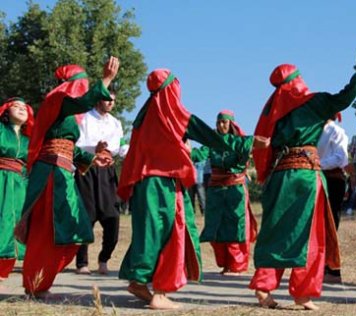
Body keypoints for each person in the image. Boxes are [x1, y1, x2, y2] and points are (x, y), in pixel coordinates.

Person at [117, 69, 269, 310]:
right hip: (163, 183)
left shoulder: (143, 116)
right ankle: (160, 293)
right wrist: (248, 141)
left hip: (143, 183)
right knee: (171, 233)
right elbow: (210, 137)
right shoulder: (173, 112)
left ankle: (138, 281)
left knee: (148, 233)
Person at [249, 44, 356, 310]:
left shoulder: (272, 113)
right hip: (306, 176)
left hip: (279, 176)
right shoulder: (312, 103)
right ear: (297, 80)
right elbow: (345, 97)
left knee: (275, 231)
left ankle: (264, 287)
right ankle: (302, 293)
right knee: (310, 235)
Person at [17, 57, 119, 298]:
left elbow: (67, 146)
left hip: (61, 172)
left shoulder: (62, 110)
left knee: (69, 228)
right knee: (47, 228)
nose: (84, 91)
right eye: (82, 85)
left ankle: (39, 282)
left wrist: (92, 158)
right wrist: (106, 79)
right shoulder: (58, 100)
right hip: (51, 174)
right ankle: (35, 284)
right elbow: (84, 102)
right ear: (72, 85)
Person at [195, 110, 257, 275]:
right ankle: (225, 264)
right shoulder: (212, 142)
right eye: (218, 122)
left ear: (231, 124)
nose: (221, 125)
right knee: (215, 226)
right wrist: (184, 149)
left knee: (235, 226)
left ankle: (237, 265)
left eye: (224, 122)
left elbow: (248, 149)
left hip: (234, 189)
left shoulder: (238, 142)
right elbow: (199, 154)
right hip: (215, 190)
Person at [74, 91, 128, 275]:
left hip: (108, 171)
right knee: (86, 215)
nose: (111, 103)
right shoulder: (84, 118)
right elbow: (76, 143)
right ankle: (82, 263)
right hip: (87, 167)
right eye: (107, 99)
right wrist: (93, 150)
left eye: (113, 100)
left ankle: (104, 259)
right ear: (98, 99)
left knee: (112, 216)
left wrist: (135, 153)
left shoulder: (115, 122)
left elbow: (122, 146)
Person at [0, 98, 34, 283]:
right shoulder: (0, 130)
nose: (21, 109)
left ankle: (6, 268)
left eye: (24, 108)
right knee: (2, 220)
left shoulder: (30, 139)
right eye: (16, 106)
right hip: (1, 179)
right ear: (6, 111)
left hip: (21, 182)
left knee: (18, 222)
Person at [317, 114, 348, 283]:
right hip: (318, 178)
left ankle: (333, 271)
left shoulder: (336, 131)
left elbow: (340, 157)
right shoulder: (314, 130)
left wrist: (317, 164)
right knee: (318, 225)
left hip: (333, 180)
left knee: (330, 225)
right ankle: (320, 266)